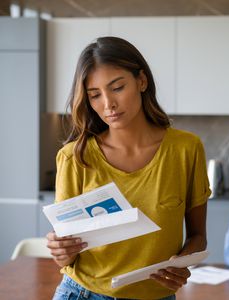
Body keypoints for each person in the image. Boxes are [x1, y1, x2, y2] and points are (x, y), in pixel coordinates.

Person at [46, 36, 211, 300]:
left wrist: (181, 263)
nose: (108, 104)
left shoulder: (186, 150)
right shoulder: (73, 157)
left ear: (141, 81)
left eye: (117, 87)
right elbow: (68, 253)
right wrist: (61, 250)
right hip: (82, 293)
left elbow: (198, 236)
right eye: (95, 95)